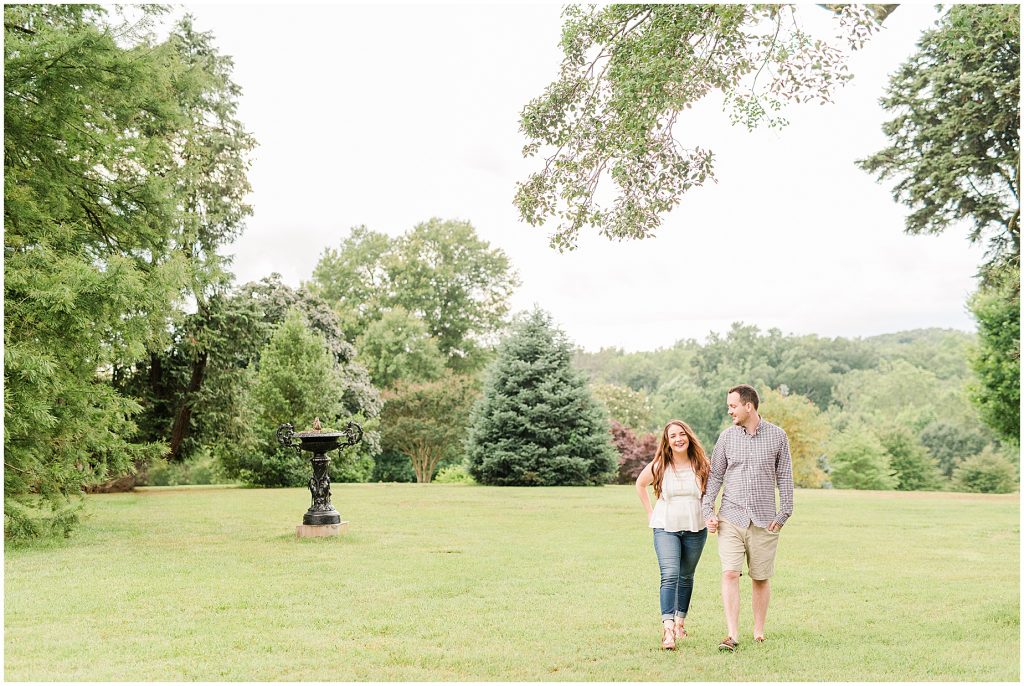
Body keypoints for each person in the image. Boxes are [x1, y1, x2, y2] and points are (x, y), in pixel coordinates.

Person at [702, 384, 794, 652]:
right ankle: (732, 633)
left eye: (732, 405)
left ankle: (759, 630)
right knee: (730, 572)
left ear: (748, 406)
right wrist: (709, 511)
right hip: (731, 517)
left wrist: (784, 512)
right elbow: (715, 477)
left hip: (765, 520)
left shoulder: (778, 436)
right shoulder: (726, 438)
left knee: (760, 577)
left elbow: (785, 477)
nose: (729, 410)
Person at [635, 419, 711, 650]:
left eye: (681, 434)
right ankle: (668, 629)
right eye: (673, 436)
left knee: (686, 576)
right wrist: (650, 513)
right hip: (665, 527)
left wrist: (711, 514)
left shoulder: (702, 464)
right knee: (669, 575)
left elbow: (709, 493)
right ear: (667, 442)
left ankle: (680, 623)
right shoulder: (660, 465)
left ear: (689, 436)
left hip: (696, 528)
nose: (678, 439)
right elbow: (640, 484)